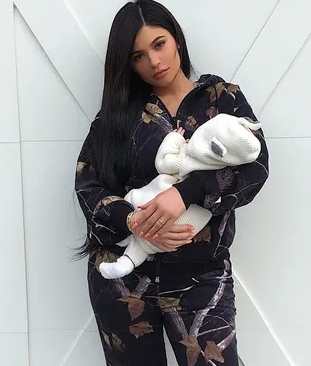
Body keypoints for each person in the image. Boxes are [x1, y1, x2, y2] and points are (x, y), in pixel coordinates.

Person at [74, 0, 269, 366]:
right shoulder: (117, 116)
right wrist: (135, 221)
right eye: (138, 56)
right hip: (123, 283)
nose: (154, 62)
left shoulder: (221, 98)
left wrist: (187, 193)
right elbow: (87, 184)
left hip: (202, 277)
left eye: (159, 44)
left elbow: (257, 166)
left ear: (177, 39)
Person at [99, 114, 262, 279]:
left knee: (143, 235)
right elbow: (90, 185)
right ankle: (127, 260)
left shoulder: (186, 159)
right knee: (147, 243)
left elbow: (162, 162)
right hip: (186, 233)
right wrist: (129, 220)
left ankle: (126, 257)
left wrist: (174, 138)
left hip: (202, 274)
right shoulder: (223, 165)